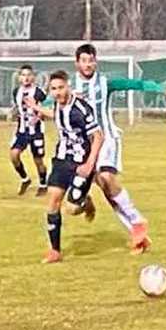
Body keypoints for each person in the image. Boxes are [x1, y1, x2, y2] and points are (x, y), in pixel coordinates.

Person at [69, 43, 166, 254]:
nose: (88, 64)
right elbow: (53, 100)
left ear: (95, 62)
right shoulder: (70, 87)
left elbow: (133, 84)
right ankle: (138, 236)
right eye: (84, 61)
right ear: (77, 63)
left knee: (107, 178)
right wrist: (36, 107)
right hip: (84, 146)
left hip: (107, 138)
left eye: (91, 60)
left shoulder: (105, 83)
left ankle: (137, 221)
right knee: (101, 193)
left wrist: (160, 88)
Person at [37, 70, 103, 264]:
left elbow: (98, 136)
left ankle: (85, 202)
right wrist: (37, 108)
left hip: (81, 162)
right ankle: (55, 251)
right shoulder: (57, 105)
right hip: (61, 160)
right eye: (54, 89)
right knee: (53, 202)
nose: (57, 92)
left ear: (68, 86)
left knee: (72, 209)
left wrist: (90, 164)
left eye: (61, 87)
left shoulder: (80, 108)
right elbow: (56, 115)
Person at [9, 65, 49, 196]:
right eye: (23, 75)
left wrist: (39, 115)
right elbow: (18, 107)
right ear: (19, 78)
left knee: (38, 160)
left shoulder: (39, 92)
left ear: (33, 77)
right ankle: (25, 179)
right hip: (22, 131)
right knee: (14, 155)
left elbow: (46, 107)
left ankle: (43, 184)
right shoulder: (16, 92)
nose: (26, 78)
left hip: (36, 132)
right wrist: (13, 113)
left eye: (28, 75)